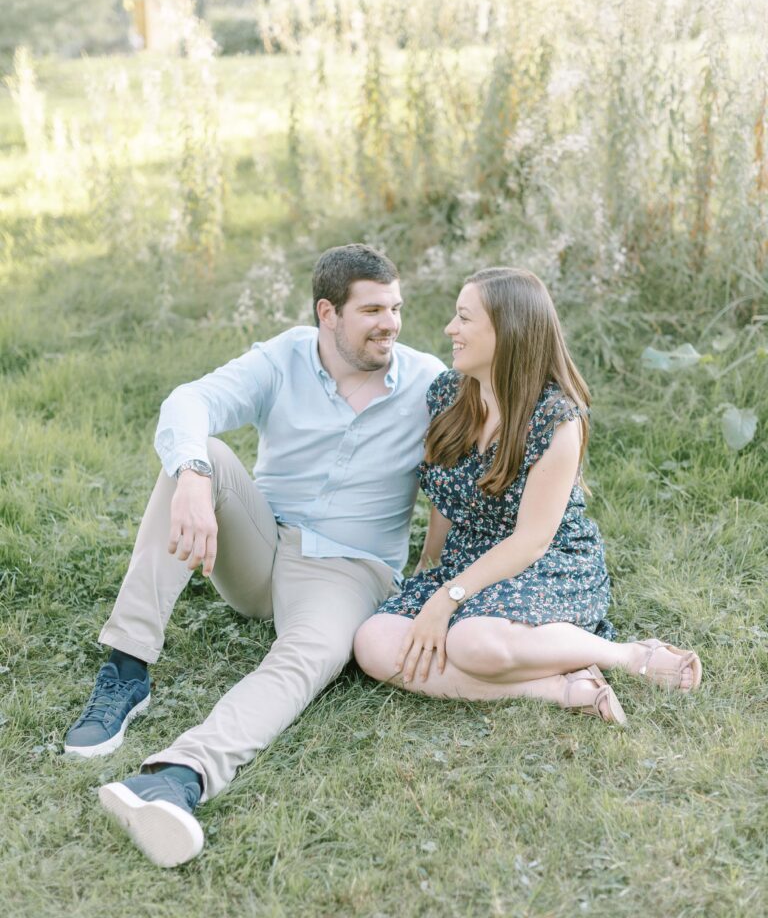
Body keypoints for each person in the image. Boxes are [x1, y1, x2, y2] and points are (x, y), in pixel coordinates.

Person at [64, 243, 444, 867]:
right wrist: (192, 475)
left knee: (305, 659)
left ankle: (177, 778)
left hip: (348, 571)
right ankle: (127, 670)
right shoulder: (284, 358)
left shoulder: (428, 382)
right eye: (373, 310)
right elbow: (190, 401)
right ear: (328, 313)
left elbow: (479, 464)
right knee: (204, 456)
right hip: (261, 546)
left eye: (396, 308)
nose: (391, 324)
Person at [354, 267, 702, 722]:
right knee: (374, 642)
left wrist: (446, 599)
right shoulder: (447, 395)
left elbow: (532, 541)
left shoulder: (556, 419)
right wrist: (429, 567)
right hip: (468, 559)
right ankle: (558, 688)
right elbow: (445, 495)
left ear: (508, 330)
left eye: (464, 318)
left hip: (547, 561)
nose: (450, 329)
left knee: (471, 642)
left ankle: (625, 654)